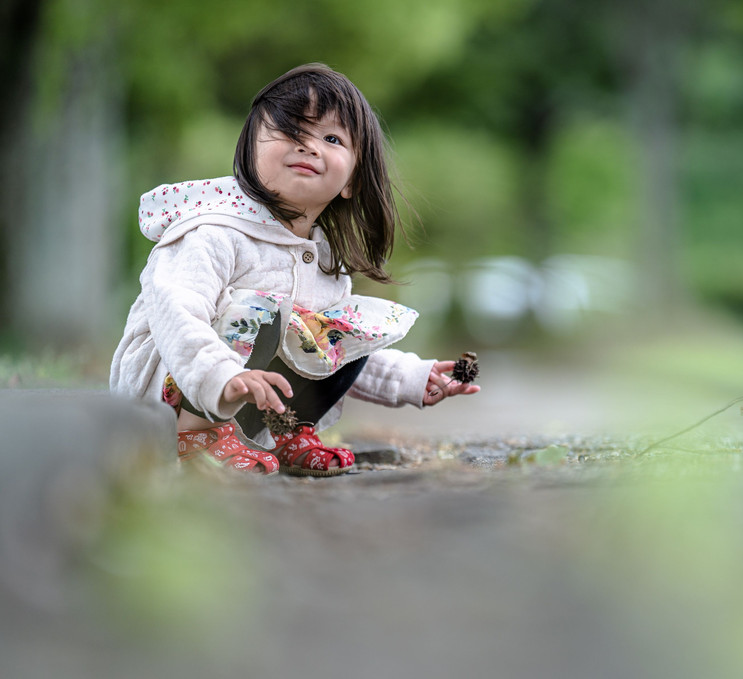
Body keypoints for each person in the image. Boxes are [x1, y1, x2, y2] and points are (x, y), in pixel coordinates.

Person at [110, 63, 479, 477]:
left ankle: (289, 429)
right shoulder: (212, 231)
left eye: (332, 138)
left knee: (341, 322)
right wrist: (220, 374)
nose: (308, 146)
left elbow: (330, 350)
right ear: (250, 149)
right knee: (263, 309)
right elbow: (177, 312)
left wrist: (412, 378)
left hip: (245, 402)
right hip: (169, 391)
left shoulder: (323, 261)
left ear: (352, 180)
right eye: (291, 131)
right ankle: (195, 434)